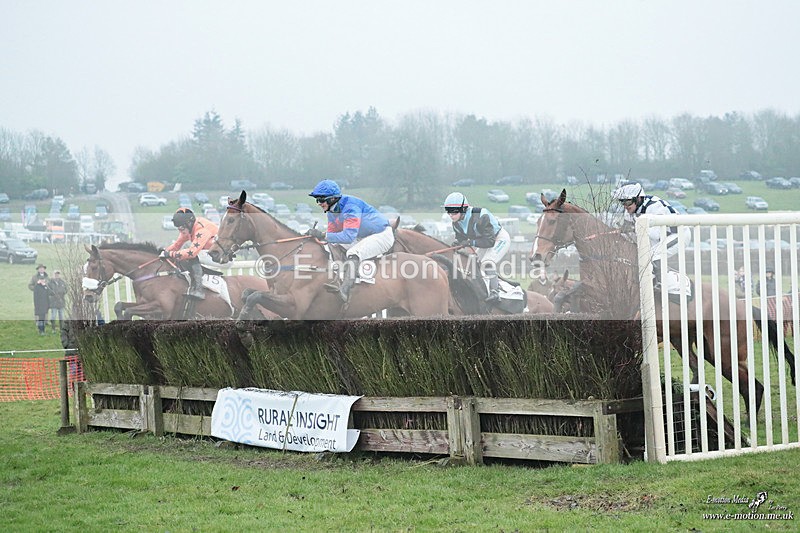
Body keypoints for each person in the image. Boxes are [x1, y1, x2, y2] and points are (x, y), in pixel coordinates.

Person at [306, 179, 395, 303]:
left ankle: (345, 290)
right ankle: (338, 277)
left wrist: (322, 235)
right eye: (317, 200)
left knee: (353, 253)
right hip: (363, 236)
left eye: (321, 200)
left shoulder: (351, 207)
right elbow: (332, 236)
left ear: (332, 198)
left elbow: (348, 237)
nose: (319, 203)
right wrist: (316, 237)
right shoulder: (331, 211)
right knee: (333, 243)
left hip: (382, 235)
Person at [612, 182, 691, 289]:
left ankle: (664, 285)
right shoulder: (630, 211)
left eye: (628, 202)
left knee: (655, 256)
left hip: (679, 234)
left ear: (638, 198)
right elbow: (629, 234)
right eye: (622, 202)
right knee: (643, 256)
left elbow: (657, 234)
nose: (625, 206)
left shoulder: (654, 206)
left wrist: (633, 228)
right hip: (662, 236)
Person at [442, 191, 510, 303]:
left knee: (487, 262)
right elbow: (462, 239)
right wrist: (458, 243)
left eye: (453, 212)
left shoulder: (481, 216)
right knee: (474, 264)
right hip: (484, 241)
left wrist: (470, 242)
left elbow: (489, 242)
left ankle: (495, 292)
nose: (450, 215)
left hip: (499, 239)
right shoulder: (456, 223)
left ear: (463, 209)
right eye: (448, 211)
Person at [161, 207, 218, 299]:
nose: (180, 231)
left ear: (189, 223)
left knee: (189, 255)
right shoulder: (189, 228)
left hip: (221, 256)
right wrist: (164, 252)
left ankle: (199, 289)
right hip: (209, 253)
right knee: (183, 255)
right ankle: (192, 284)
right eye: (178, 229)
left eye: (181, 228)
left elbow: (192, 253)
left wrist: (171, 254)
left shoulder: (201, 229)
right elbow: (176, 245)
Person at [27, 264, 50, 336]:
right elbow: (30, 286)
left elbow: (49, 289)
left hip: (45, 300)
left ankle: (43, 328)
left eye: (43, 268)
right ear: (38, 269)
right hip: (38, 300)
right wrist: (36, 287)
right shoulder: (34, 277)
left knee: (44, 315)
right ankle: (40, 329)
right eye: (40, 268)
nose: (41, 269)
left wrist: (45, 286)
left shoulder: (47, 277)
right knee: (40, 315)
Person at [48, 269, 68, 334]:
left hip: (61, 302)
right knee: (53, 316)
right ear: (53, 275)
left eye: (58, 274)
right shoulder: (50, 283)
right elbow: (48, 291)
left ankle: (61, 329)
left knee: (61, 317)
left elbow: (66, 290)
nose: (57, 275)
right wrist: (53, 294)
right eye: (55, 274)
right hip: (53, 302)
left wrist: (61, 293)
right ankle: (53, 329)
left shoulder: (62, 282)